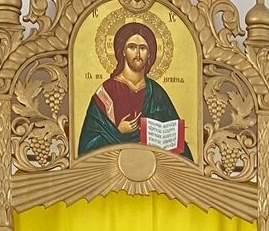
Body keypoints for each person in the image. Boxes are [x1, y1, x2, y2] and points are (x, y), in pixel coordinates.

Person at [77, 22, 191, 158]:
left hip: (151, 164)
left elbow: (177, 144)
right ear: (123, 51)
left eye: (143, 48)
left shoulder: (156, 92)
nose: (137, 54)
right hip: (113, 165)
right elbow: (87, 145)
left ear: (149, 53)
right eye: (132, 47)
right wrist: (118, 132)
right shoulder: (106, 92)